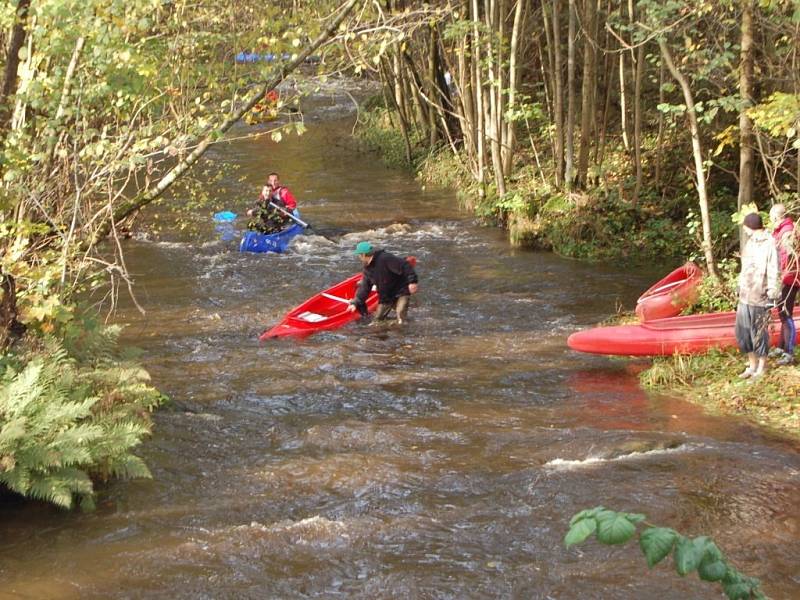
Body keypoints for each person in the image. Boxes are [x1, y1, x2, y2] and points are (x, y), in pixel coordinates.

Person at [735, 212, 780, 380]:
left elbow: (774, 269)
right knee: (743, 333)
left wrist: (772, 294)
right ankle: (751, 366)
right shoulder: (750, 243)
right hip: (745, 295)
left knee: (759, 333)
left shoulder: (769, 244)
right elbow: (745, 267)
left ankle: (761, 368)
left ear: (752, 226)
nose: (745, 230)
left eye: (746, 227)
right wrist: (739, 286)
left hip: (760, 296)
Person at [346, 242, 419, 325]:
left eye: (359, 255)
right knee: (377, 322)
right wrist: (355, 303)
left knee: (401, 317)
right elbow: (364, 288)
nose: (359, 257)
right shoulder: (367, 269)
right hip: (386, 297)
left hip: (401, 291)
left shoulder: (385, 258)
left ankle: (401, 330)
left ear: (363, 255)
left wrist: (412, 282)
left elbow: (405, 265)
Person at [769, 203, 799, 365]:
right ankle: (781, 347)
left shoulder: (787, 231)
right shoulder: (781, 230)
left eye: (771, 217)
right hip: (784, 277)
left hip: (789, 277)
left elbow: (789, 256)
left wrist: (781, 275)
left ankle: (789, 353)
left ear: (776, 217)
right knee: (782, 312)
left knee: (785, 314)